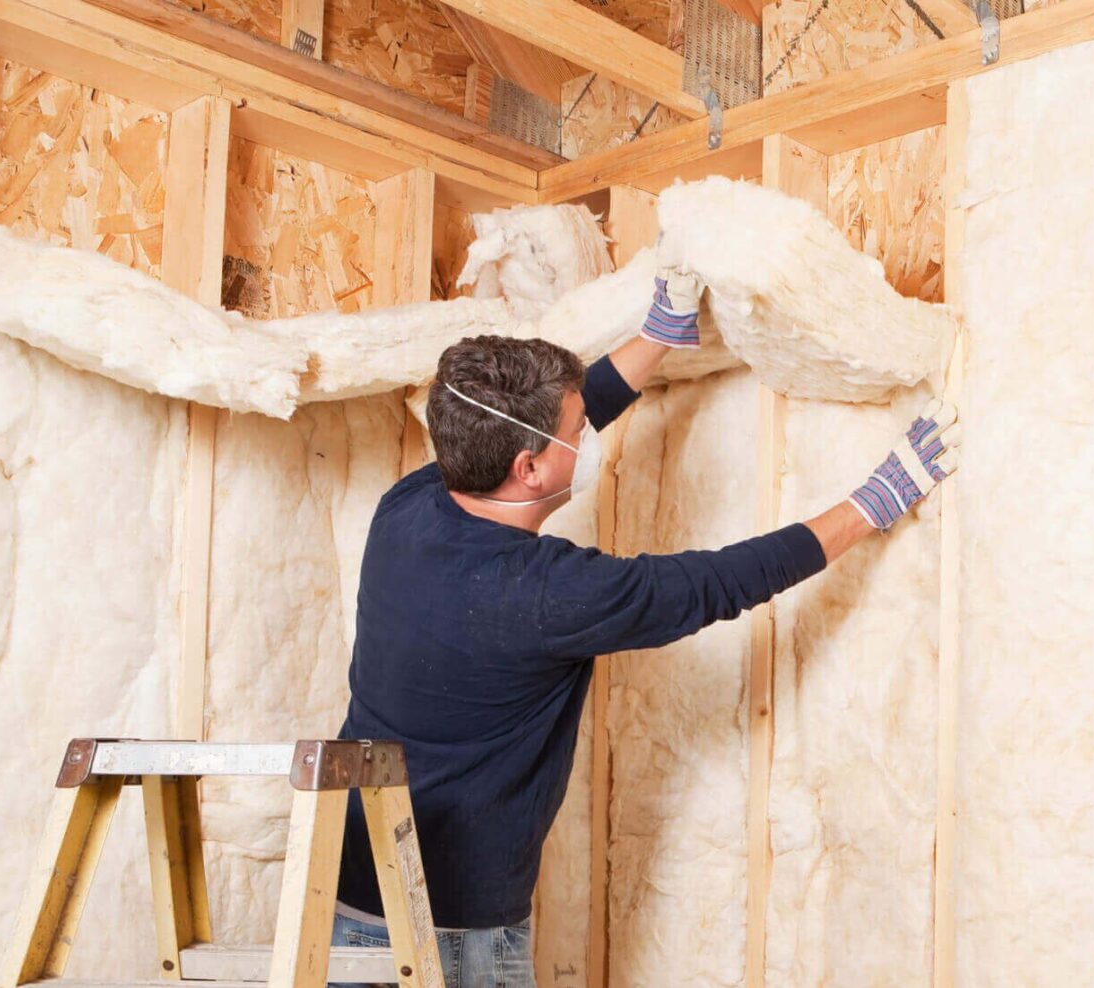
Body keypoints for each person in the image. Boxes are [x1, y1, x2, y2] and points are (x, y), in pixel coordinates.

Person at [326, 268, 958, 988]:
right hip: (452, 934)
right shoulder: (546, 594)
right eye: (575, 433)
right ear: (529, 469)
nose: (584, 436)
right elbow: (716, 582)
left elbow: (545, 425)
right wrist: (871, 504)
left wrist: (658, 337)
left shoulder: (409, 506)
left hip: (347, 893)